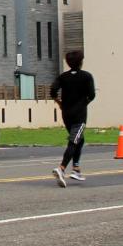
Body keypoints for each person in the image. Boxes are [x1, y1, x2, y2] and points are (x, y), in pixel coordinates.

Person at [50, 50, 96, 187]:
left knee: (80, 140)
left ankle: (76, 169)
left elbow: (53, 91)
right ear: (81, 62)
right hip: (79, 115)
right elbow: (92, 95)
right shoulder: (86, 76)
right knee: (74, 141)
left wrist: (59, 103)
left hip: (66, 114)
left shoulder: (63, 77)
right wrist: (84, 103)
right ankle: (62, 168)